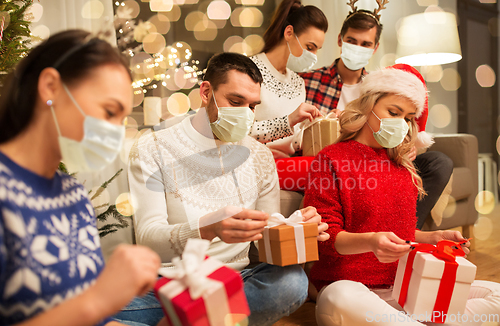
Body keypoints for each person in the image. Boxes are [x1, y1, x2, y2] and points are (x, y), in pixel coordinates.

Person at [127, 52, 329, 326]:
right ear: (206, 92)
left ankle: (191, 319)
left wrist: (295, 228)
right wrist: (208, 228)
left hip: (235, 281)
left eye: (252, 106)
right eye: (235, 102)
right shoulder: (153, 147)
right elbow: (150, 241)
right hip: (169, 283)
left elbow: (266, 234)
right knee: (91, 309)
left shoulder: (259, 156)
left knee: (291, 284)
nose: (245, 115)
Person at [303, 66, 500, 326]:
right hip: (350, 287)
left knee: (496, 296)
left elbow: (402, 234)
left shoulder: (401, 165)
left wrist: (434, 237)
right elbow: (324, 240)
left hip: (404, 287)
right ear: (368, 106)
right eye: (393, 112)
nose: (401, 123)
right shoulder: (331, 159)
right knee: (338, 298)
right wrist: (372, 242)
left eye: (408, 117)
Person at [0, 30, 164, 326]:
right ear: (51, 87)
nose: (114, 132)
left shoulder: (73, 195)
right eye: (109, 111)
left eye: (122, 120)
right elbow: (90, 307)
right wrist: (99, 299)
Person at [299, 2, 453, 229]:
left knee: (439, 162)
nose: (358, 48)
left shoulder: (385, 87)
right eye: (352, 41)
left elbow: (399, 127)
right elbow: (298, 134)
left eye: (366, 44)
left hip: (381, 159)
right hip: (343, 162)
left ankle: (406, 230)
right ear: (340, 40)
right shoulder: (309, 81)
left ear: (375, 47)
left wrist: (407, 146)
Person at [248, 0, 326, 159]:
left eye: (317, 50)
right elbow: (239, 132)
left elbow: (294, 143)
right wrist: (288, 120)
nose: (313, 57)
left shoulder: (298, 82)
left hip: (287, 170)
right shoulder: (249, 70)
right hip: (251, 165)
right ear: (289, 33)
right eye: (310, 47)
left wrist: (321, 124)